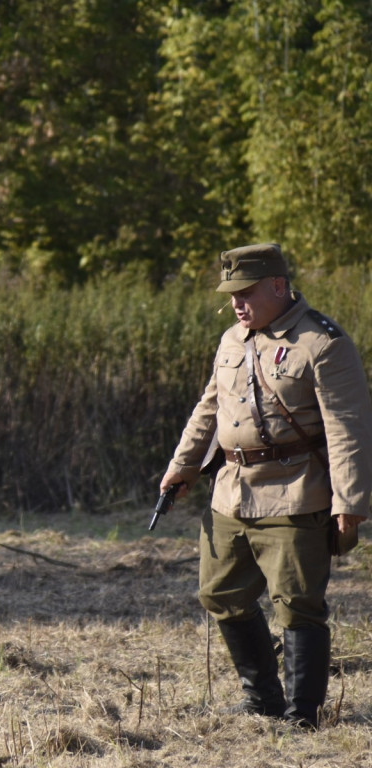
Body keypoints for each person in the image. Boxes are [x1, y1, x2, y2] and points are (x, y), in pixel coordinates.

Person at [160, 243, 372, 729]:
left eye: (247, 292)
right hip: (231, 493)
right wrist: (182, 466)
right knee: (220, 594)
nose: (237, 303)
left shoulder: (322, 343)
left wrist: (350, 502)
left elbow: (348, 430)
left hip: (296, 492)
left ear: (279, 285)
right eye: (232, 293)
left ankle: (303, 715)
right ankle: (263, 700)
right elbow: (209, 411)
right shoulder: (232, 340)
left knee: (298, 604)